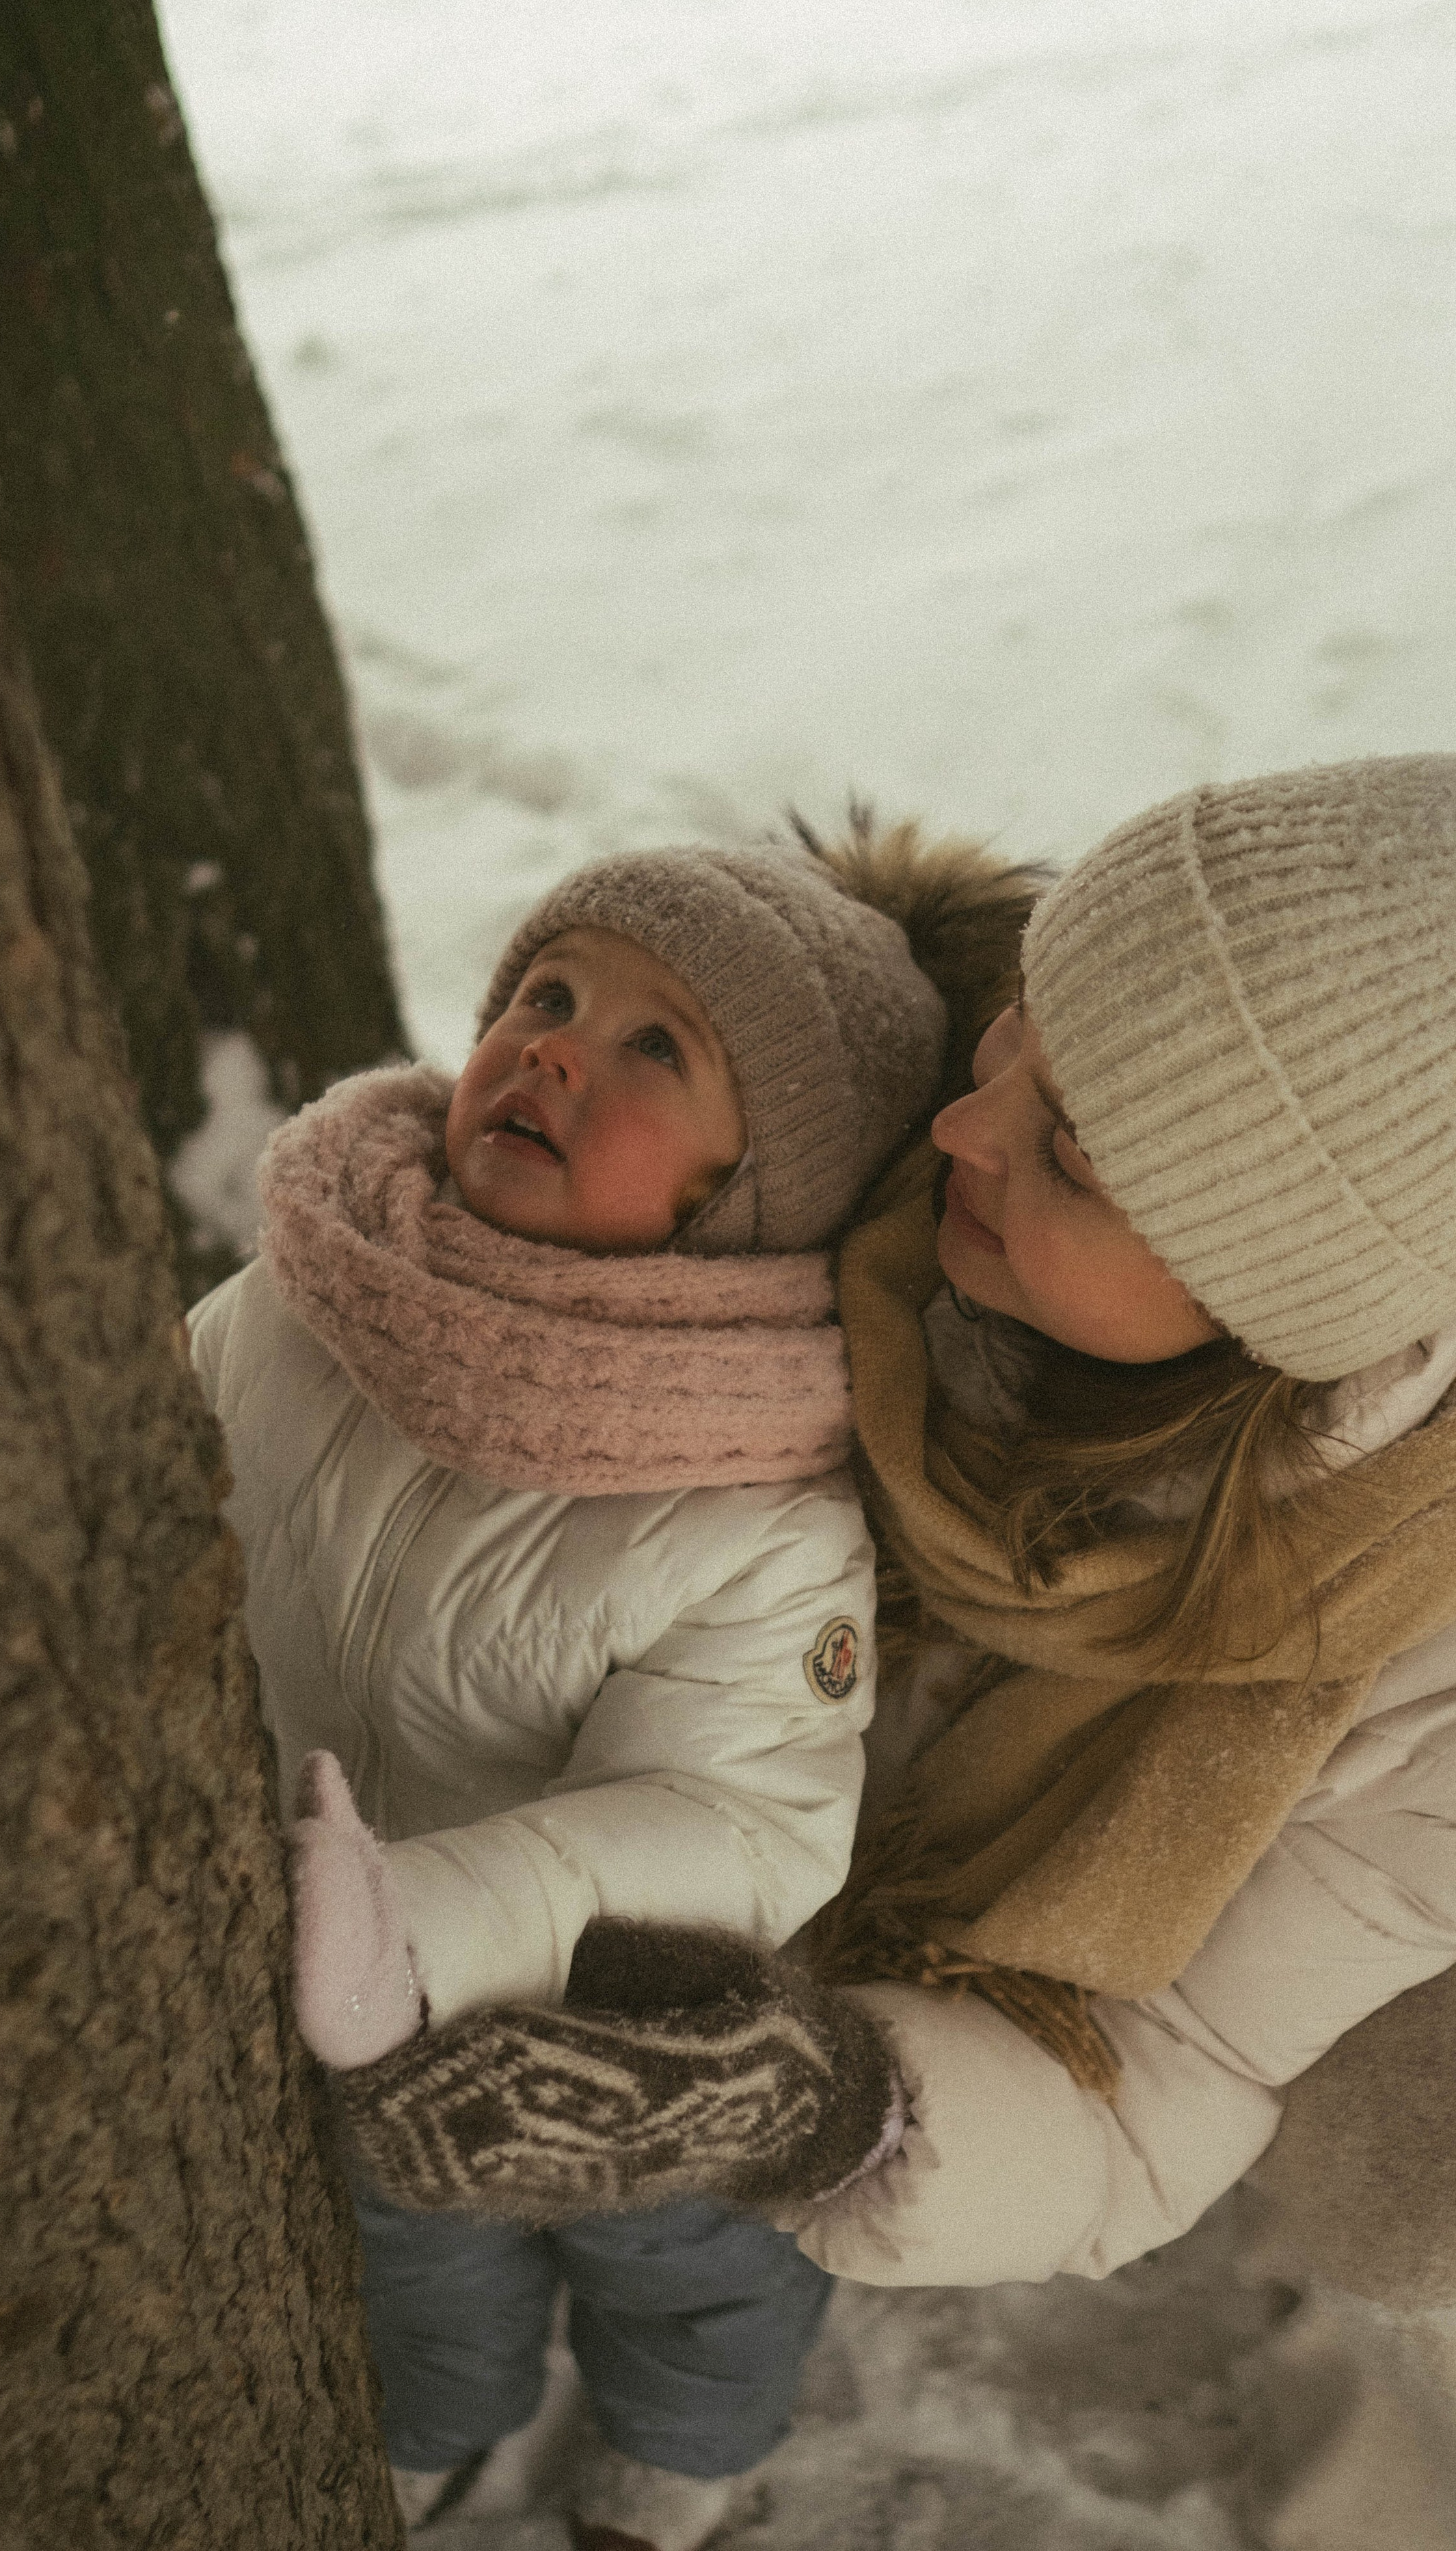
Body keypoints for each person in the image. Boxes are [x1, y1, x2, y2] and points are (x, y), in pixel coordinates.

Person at [337, 756, 1456, 2550]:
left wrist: (831, 2107)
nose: (960, 1124)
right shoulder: (841, 1135)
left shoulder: (1402, 1680)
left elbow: (1159, 2082)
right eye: (1014, 1030)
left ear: (1272, 1319)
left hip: (877, 2056)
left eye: (1067, 1151)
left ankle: (679, 2449)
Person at [187, 844, 947, 2545]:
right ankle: (435, 2420)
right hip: (327, 1977)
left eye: (651, 1046)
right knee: (403, 2244)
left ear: (752, 1189)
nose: (548, 1047)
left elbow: (734, 1818)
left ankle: (682, 2446)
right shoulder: (307, 1301)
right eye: (544, 995)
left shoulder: (756, 1503)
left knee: (684, 2266)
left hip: (626, 2034)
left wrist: (424, 1925)